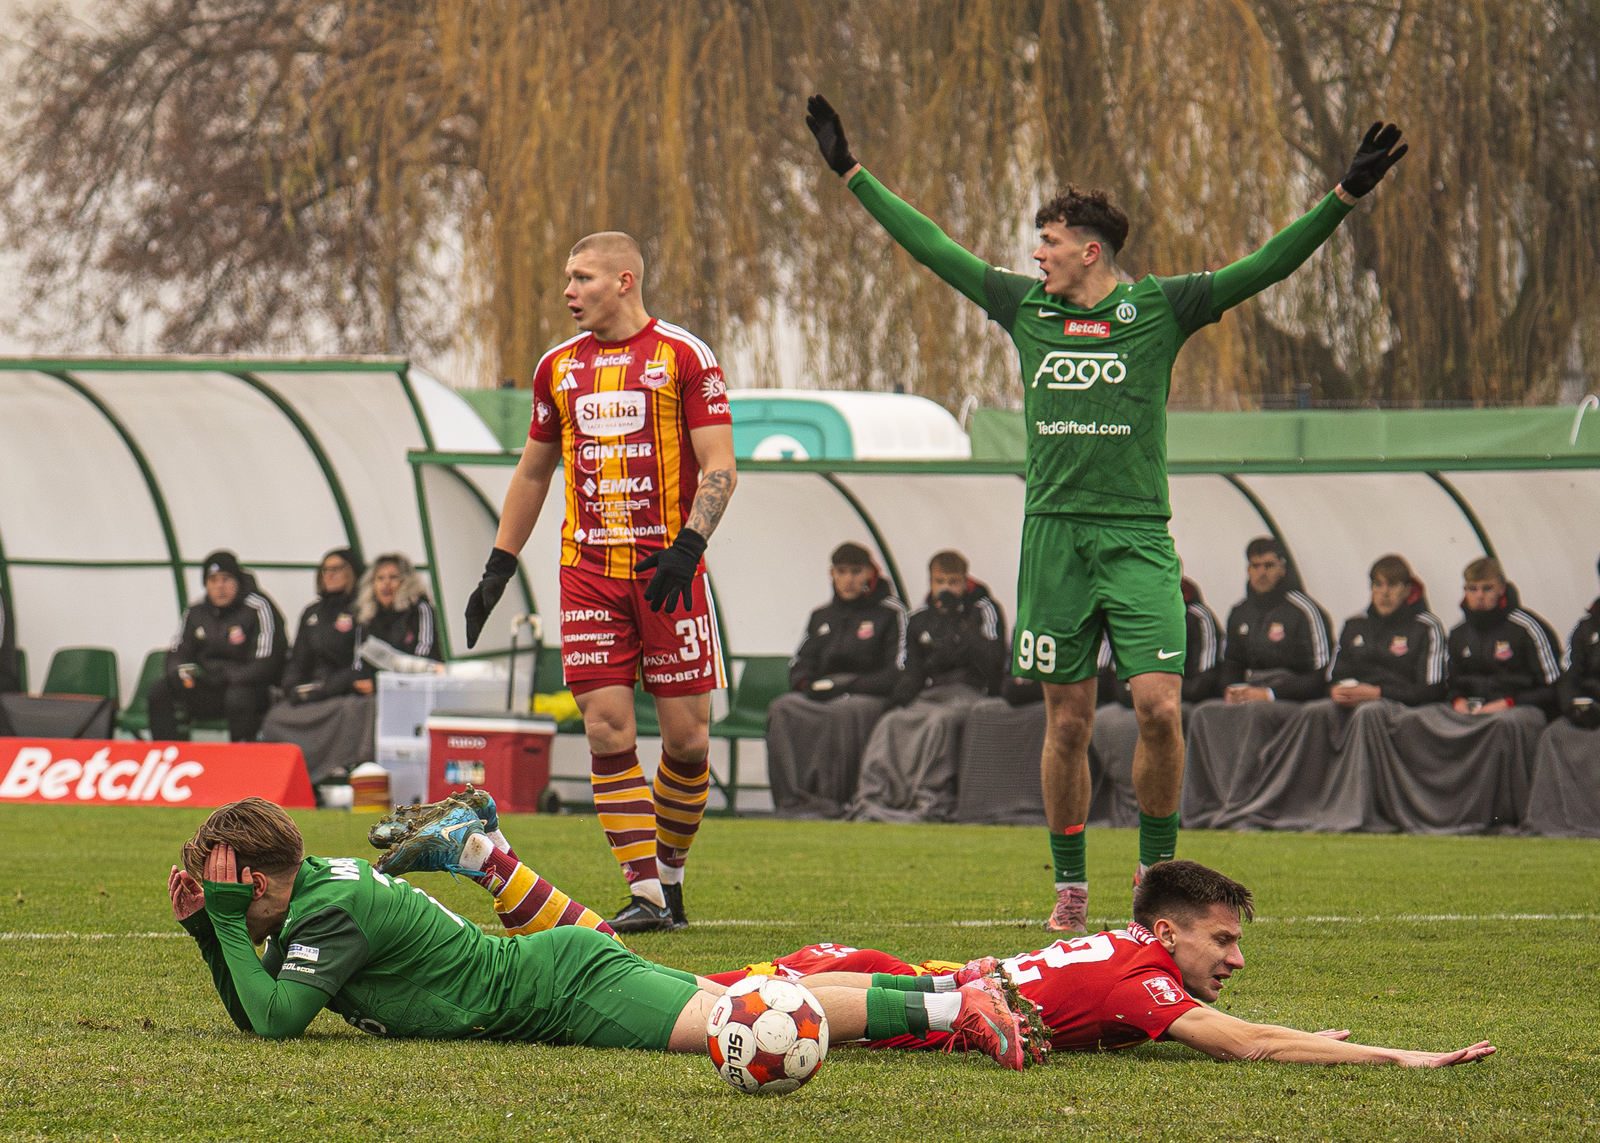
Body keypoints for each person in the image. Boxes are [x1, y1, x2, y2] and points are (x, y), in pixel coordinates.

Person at [804, 94, 1408, 932]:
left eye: (1049, 242)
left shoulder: (1159, 308)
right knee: (1068, 721)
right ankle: (1070, 888)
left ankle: (1156, 876)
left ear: (1090, 250)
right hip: (1055, 540)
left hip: (1136, 539)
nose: (1036, 254)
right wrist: (851, 172)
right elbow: (933, 247)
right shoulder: (1027, 308)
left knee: (1159, 706)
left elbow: (1267, 264)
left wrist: (1343, 197)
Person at [167, 797, 1026, 1070]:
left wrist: (228, 924)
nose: (217, 893)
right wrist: (213, 929)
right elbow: (258, 1003)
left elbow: (276, 1022)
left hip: (566, 991)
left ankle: (957, 1006)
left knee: (748, 1017)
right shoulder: (311, 894)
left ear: (258, 881)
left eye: (224, 881)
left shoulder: (326, 911)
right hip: (554, 969)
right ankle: (953, 989)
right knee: (755, 996)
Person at [461, 231, 738, 933]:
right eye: (567, 278)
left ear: (624, 280)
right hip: (587, 574)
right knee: (606, 727)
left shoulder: (685, 356)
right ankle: (646, 893)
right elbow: (533, 472)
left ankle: (670, 878)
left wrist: (689, 544)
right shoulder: (557, 368)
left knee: (687, 742)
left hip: (667, 572)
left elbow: (720, 465)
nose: (568, 291)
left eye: (582, 277)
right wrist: (499, 564)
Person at [717, 860, 1493, 1068]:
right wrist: (1399, 1055)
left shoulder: (1135, 951)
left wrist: (1303, 1037)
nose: (1237, 956)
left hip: (945, 975)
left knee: (737, 992)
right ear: (1168, 931)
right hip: (948, 1005)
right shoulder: (1145, 980)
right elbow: (1246, 1043)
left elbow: (1236, 1028)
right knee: (746, 1009)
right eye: (1223, 940)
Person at [1217, 554, 1449, 832]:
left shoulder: (1427, 627)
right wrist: (1338, 690)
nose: (1384, 592)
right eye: (1378, 584)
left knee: (1368, 713)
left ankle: (1357, 810)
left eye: (1392, 585)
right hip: (1355, 701)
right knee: (1314, 711)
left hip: (1398, 707)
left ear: (1408, 589)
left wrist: (1377, 692)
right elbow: (1332, 677)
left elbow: (1432, 689)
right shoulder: (1355, 625)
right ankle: (1298, 804)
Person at [1182, 539, 1333, 829]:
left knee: (1254, 714)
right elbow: (1231, 664)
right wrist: (1230, 689)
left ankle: (1245, 804)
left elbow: (1320, 677)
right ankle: (1201, 806)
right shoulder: (1240, 612)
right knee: (1203, 714)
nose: (1261, 572)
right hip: (1250, 692)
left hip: (1290, 698)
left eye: (1268, 565)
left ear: (1282, 568)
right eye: (1255, 566)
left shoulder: (1305, 611)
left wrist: (1269, 693)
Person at [848, 551, 1006, 823]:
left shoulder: (984, 610)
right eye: (939, 581)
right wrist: (896, 701)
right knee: (891, 722)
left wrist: (956, 623)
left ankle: (929, 798)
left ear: (965, 581)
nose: (946, 588)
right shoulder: (920, 618)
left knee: (939, 722)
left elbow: (992, 662)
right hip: (933, 693)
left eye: (953, 582)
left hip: (971, 692)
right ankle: (873, 796)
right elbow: (913, 671)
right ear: (930, 582)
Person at [765, 541, 906, 818]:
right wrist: (809, 686)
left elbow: (897, 670)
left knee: (842, 712)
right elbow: (800, 664)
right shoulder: (822, 615)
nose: (848, 580)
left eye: (856, 572)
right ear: (832, 574)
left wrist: (846, 687)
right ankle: (791, 801)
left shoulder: (890, 613)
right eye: (841, 572)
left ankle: (835, 801)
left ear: (871, 573)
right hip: (825, 692)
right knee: (782, 708)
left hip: (869, 694)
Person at [1090, 577, 1225, 827]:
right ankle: (1128, 808)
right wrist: (1140, 694)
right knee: (1101, 719)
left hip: (1179, 700)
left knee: (1161, 715)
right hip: (1132, 701)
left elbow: (1204, 681)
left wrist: (1158, 694)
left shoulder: (1197, 617)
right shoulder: (1126, 616)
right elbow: (1108, 675)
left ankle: (1167, 811)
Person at [258, 549, 372, 785]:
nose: (330, 574)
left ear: (352, 573)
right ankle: (293, 776)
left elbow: (361, 665)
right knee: (275, 718)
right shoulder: (312, 613)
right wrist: (292, 686)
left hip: (342, 691)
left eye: (337, 569)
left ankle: (335, 770)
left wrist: (327, 688)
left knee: (352, 711)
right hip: (312, 691)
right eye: (325, 570)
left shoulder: (363, 611)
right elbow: (297, 659)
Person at [148, 551, 287, 742]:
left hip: (248, 689)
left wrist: (230, 677)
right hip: (209, 688)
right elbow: (177, 651)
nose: (219, 586)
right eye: (213, 580)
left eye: (226, 579)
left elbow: (267, 661)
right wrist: (181, 672)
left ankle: (241, 755)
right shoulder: (196, 610)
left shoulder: (258, 607)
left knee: (238, 696)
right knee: (160, 691)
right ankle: (169, 752)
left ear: (238, 581)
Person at [1527, 556, 1600, 836]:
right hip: (1589, 710)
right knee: (1553, 734)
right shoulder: (1587, 628)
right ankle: (1552, 822)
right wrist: (1573, 708)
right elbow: (1568, 676)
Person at [353, 553, 443, 671]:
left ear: (407, 581)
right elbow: (359, 660)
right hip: (379, 679)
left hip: (416, 676)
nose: (387, 583)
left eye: (394, 577)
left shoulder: (419, 609)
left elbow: (425, 652)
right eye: (380, 578)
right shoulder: (367, 616)